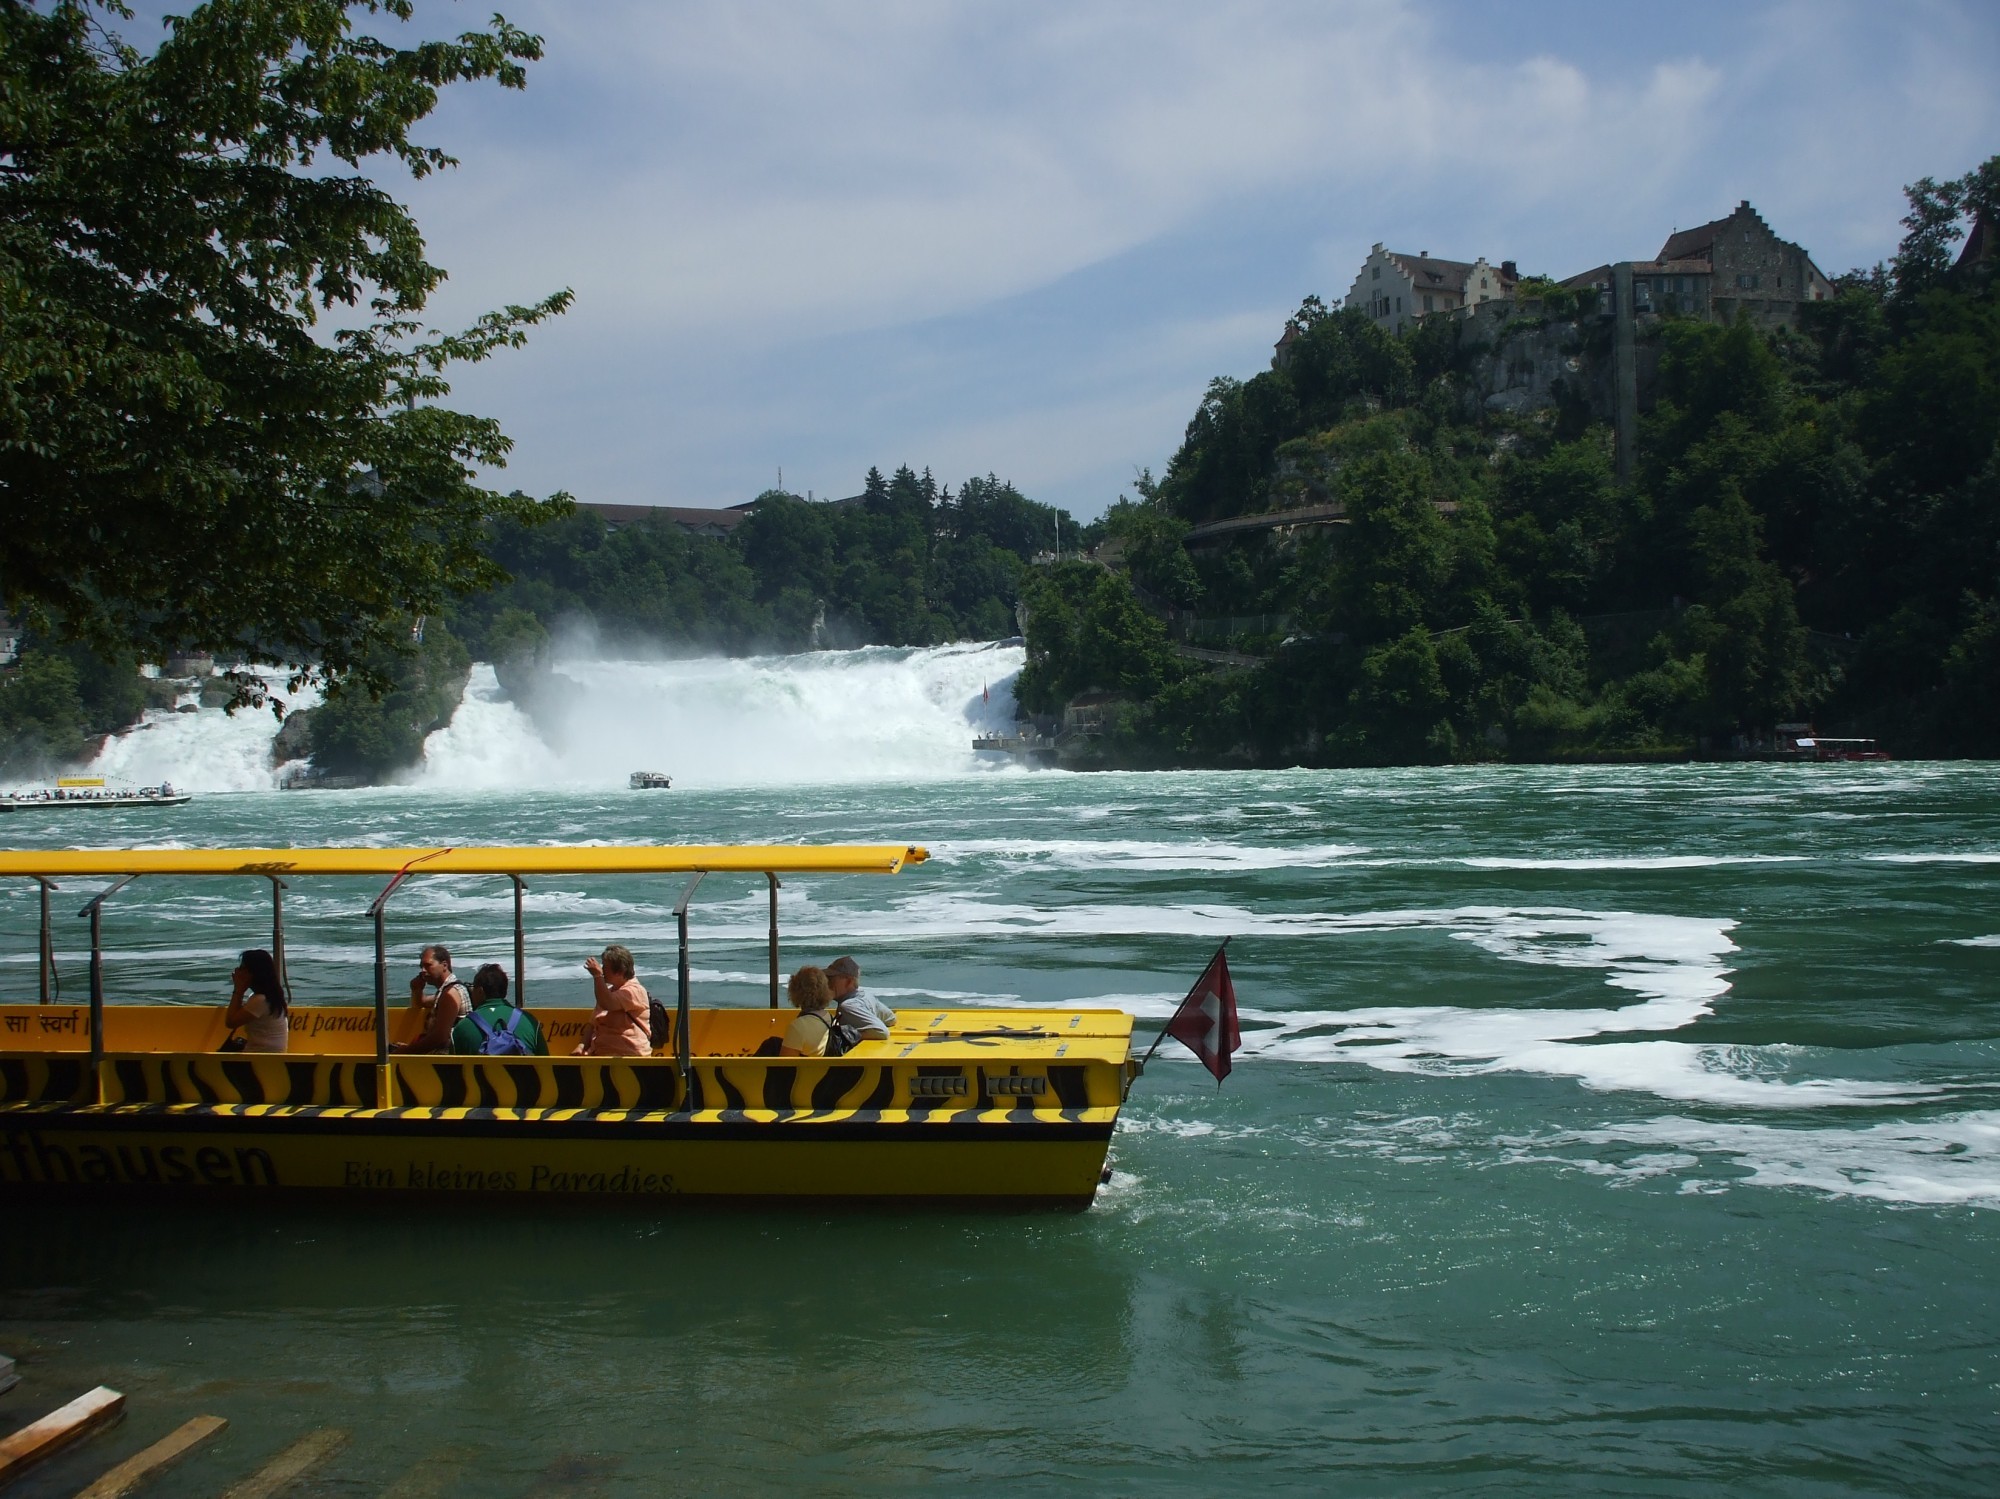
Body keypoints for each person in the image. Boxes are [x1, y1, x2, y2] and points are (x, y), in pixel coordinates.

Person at [450, 962, 548, 1056]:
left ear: (480, 991)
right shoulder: (530, 1022)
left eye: (473, 987)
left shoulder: (463, 1027)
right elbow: (545, 1060)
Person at [390, 944, 471, 1054]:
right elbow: (421, 1003)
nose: (423, 970)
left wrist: (405, 1051)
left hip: (448, 1057)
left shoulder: (451, 993)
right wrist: (416, 990)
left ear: (444, 965)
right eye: (421, 967)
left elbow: (440, 1037)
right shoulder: (446, 991)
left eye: (428, 965)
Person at [577, 944, 650, 1056]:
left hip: (628, 1056)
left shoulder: (634, 991)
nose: (602, 970)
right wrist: (581, 1046)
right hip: (602, 1054)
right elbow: (592, 1023)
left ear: (620, 971)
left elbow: (608, 1003)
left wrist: (597, 976)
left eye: (605, 967)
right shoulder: (609, 992)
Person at [224, 948, 289, 1052]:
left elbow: (231, 1022)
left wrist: (238, 990)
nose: (237, 971)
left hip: (260, 1056)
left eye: (242, 968)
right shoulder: (270, 997)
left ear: (254, 972)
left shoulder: (260, 1000)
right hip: (267, 1055)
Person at [827, 955, 895, 1041]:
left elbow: (881, 1032)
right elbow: (891, 1019)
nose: (827, 982)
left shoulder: (848, 1006)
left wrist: (843, 1035)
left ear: (849, 981)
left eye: (831, 979)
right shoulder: (865, 995)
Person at [779, 965, 836, 1057]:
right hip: (823, 1065)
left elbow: (784, 1063)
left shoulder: (798, 1026)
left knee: (771, 1044)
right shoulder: (832, 1019)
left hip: (805, 1066)